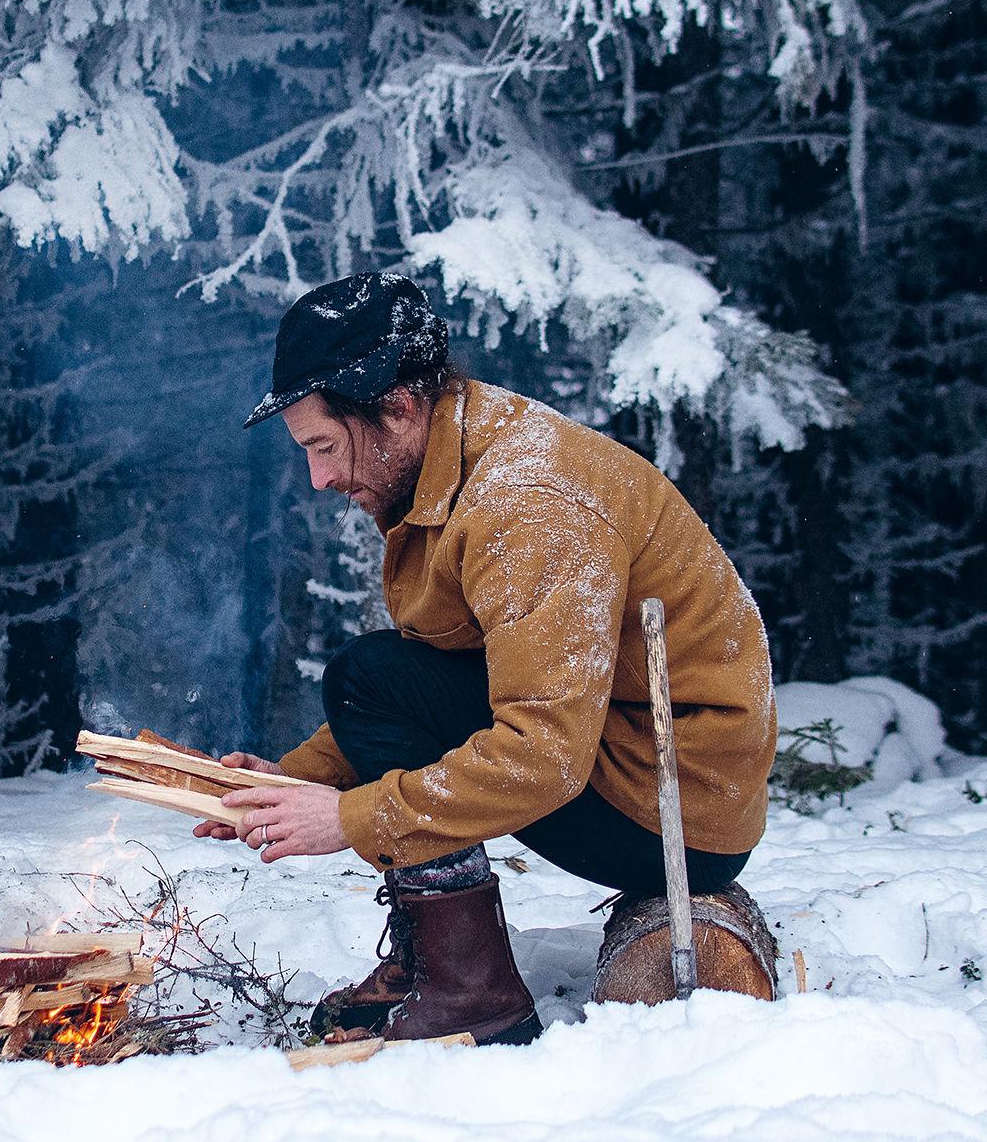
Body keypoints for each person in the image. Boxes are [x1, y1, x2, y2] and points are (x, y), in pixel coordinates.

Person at [198, 272, 776, 1046]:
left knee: (368, 674)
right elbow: (435, 684)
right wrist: (300, 779)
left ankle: (472, 993)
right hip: (626, 756)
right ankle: (444, 971)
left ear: (399, 408)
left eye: (325, 446)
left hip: (675, 808)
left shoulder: (527, 501)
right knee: (372, 676)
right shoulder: (457, 462)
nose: (321, 478)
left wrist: (350, 817)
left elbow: (544, 756)